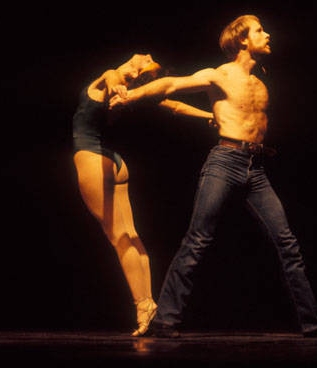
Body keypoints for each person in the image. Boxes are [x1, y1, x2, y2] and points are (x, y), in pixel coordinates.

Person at [109, 16, 317, 338]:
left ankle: (314, 324)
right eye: (260, 30)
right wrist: (131, 96)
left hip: (256, 168)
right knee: (197, 240)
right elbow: (170, 84)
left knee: (287, 243)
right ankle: (164, 321)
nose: (268, 33)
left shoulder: (261, 81)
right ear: (243, 40)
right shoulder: (219, 75)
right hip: (224, 162)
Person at [73, 53, 214, 336]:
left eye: (148, 59)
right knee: (131, 235)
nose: (147, 54)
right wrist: (210, 116)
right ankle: (149, 307)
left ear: (137, 71)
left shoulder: (114, 78)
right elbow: (172, 106)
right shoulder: (133, 92)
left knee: (119, 238)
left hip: (92, 158)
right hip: (115, 162)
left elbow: (112, 75)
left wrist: (116, 86)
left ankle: (143, 307)